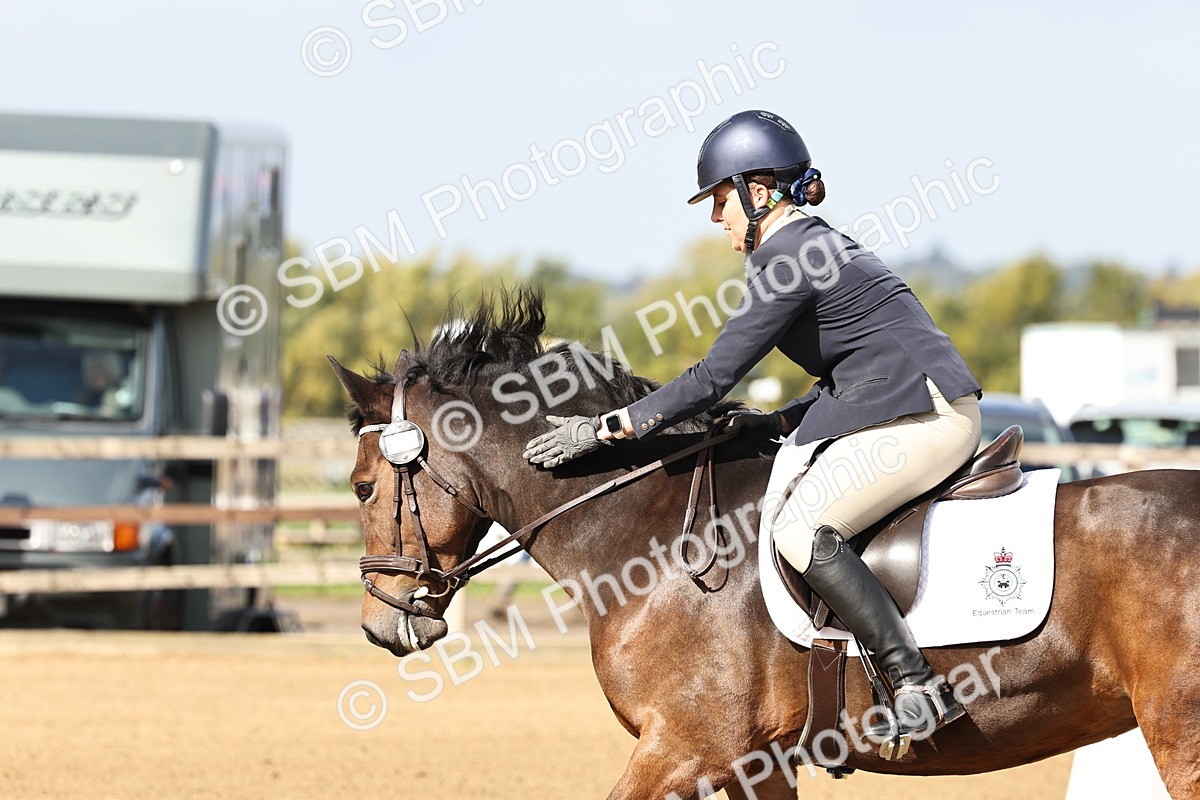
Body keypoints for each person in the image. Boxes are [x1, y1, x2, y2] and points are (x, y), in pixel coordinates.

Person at [523, 109, 983, 745]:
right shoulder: (815, 244)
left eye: (719, 199)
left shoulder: (788, 255)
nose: (716, 217)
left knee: (803, 528)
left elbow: (713, 377)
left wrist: (607, 428)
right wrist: (779, 420)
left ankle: (915, 683)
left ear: (757, 191)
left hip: (923, 416)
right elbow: (858, 364)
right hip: (907, 403)